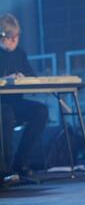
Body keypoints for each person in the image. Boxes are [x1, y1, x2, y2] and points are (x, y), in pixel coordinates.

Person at [0, 13, 49, 178]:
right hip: (2, 105)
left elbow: (32, 77)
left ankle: (20, 162)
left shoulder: (20, 54)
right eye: (9, 37)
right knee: (5, 114)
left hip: (16, 103)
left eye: (16, 36)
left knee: (40, 111)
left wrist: (23, 77)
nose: (14, 40)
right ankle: (4, 169)